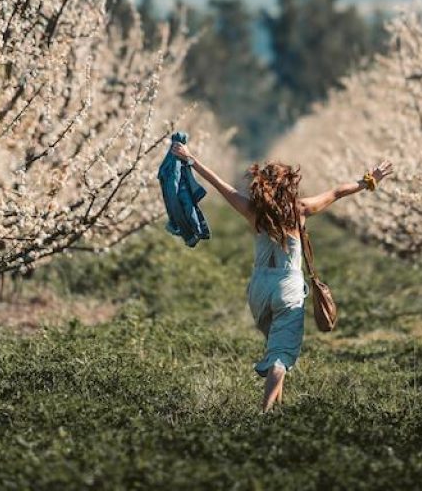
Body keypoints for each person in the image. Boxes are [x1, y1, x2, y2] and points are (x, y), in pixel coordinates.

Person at [168, 139, 393, 412]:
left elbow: (220, 184)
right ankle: (263, 413)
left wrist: (191, 159)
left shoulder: (253, 211)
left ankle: (277, 409)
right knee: (281, 354)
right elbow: (336, 192)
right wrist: (370, 180)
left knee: (275, 346)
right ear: (290, 185)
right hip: (288, 286)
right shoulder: (300, 210)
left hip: (259, 288)